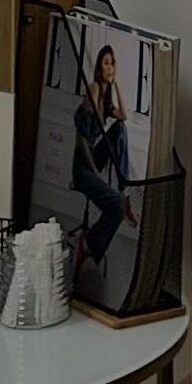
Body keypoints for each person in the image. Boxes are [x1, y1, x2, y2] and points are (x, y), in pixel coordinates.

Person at [72, 44, 136, 270]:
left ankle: (124, 191)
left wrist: (116, 83)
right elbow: (81, 141)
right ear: (99, 66)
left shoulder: (106, 96)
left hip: (94, 158)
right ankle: (88, 245)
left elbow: (124, 116)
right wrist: (95, 172)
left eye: (113, 63)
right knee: (116, 206)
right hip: (82, 164)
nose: (110, 67)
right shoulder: (94, 89)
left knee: (120, 128)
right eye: (106, 62)